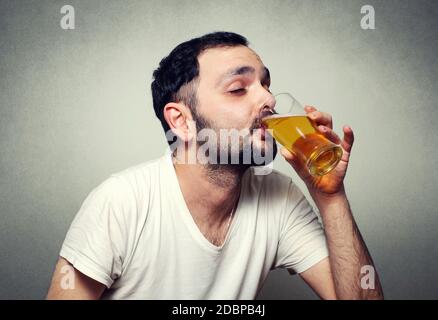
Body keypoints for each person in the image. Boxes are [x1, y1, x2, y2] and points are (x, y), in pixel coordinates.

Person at [47, 32, 383, 300]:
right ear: (181, 121)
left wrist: (330, 196)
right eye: (238, 89)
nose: (269, 99)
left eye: (265, 84)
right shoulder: (120, 202)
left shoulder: (279, 198)